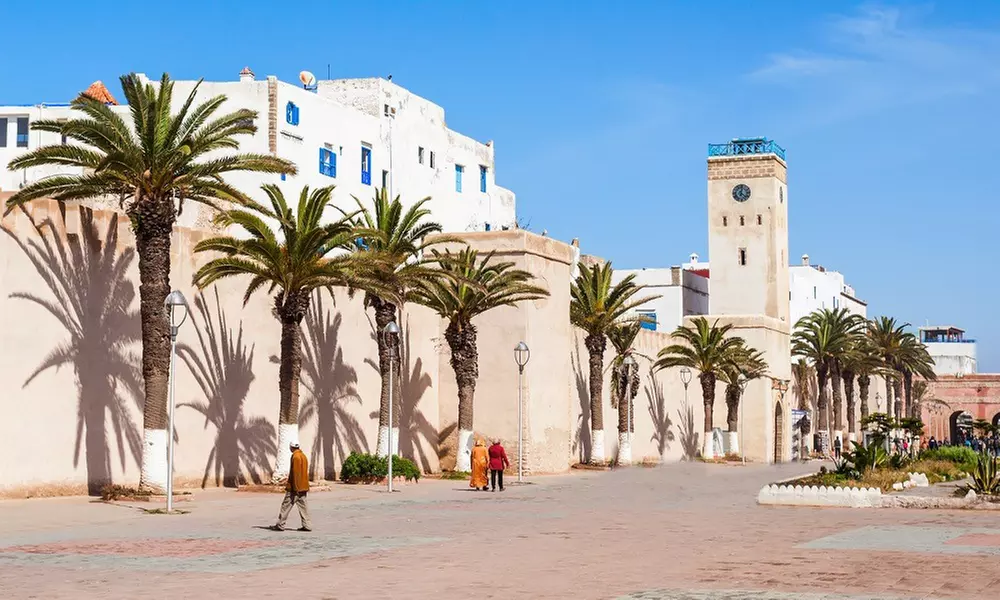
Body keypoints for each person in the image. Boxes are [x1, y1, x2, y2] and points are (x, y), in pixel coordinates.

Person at [273, 441, 312, 531]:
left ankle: (280, 524)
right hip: (303, 487)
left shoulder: (295, 457)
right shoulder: (303, 456)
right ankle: (307, 525)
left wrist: (295, 488)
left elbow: (296, 473)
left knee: (285, 506)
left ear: (291, 447)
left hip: (295, 488)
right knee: (303, 507)